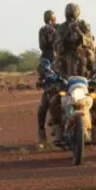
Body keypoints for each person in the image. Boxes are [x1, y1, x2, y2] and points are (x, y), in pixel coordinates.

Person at [48, 3, 96, 146]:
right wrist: (67, 33)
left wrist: (78, 31)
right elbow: (58, 47)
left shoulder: (84, 27)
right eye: (69, 13)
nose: (71, 16)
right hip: (66, 75)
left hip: (84, 75)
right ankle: (59, 130)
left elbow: (89, 42)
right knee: (55, 101)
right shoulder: (61, 28)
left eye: (73, 13)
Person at [36, 10, 57, 146]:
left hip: (62, 65)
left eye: (52, 18)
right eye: (49, 18)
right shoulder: (43, 31)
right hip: (48, 66)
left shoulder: (61, 28)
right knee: (45, 101)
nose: (51, 20)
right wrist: (50, 33)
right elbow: (43, 46)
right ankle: (41, 131)